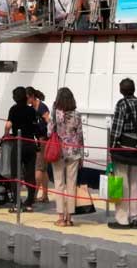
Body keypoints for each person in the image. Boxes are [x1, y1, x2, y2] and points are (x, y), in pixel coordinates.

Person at [107, 77, 137, 229]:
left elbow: (117, 128)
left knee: (122, 181)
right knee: (135, 182)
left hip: (123, 147)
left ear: (121, 90)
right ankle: (135, 217)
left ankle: (123, 219)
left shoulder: (122, 104)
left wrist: (111, 148)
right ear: (133, 89)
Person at [50, 86, 85, 226]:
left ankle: (60, 217)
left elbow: (49, 131)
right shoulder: (77, 115)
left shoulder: (56, 114)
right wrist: (82, 155)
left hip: (59, 152)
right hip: (74, 152)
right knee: (71, 184)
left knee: (59, 183)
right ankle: (69, 217)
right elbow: (81, 135)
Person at [4, 86, 40, 211]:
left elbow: (8, 125)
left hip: (18, 143)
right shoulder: (31, 110)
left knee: (15, 174)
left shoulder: (13, 109)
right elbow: (36, 127)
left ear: (15, 98)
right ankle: (29, 202)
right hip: (30, 143)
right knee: (30, 174)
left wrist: (6, 134)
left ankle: (16, 202)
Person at [30, 87, 52, 204]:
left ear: (32, 96)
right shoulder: (32, 108)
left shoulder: (42, 107)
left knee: (39, 168)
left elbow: (48, 121)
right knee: (43, 169)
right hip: (38, 139)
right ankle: (45, 195)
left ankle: (34, 194)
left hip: (43, 139)